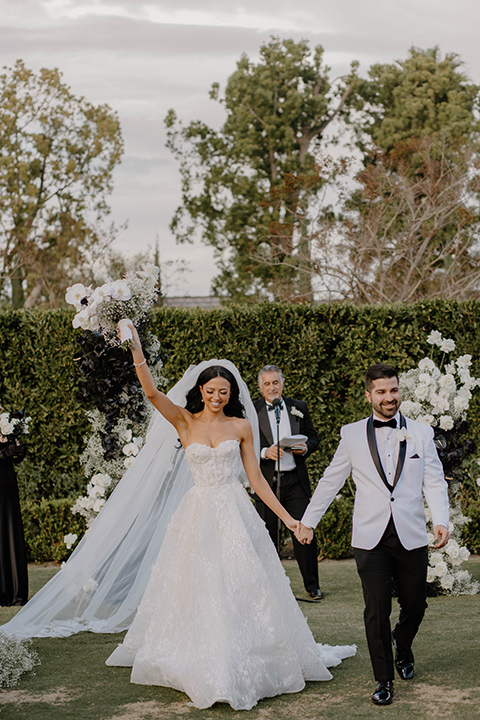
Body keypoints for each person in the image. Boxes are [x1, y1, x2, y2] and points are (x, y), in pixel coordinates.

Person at [106, 327, 355, 710]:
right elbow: (153, 393)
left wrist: (289, 520)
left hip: (234, 512)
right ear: (201, 391)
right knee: (197, 584)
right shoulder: (185, 422)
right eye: (211, 391)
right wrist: (136, 349)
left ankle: (252, 655)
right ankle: (201, 658)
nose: (217, 397)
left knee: (244, 583)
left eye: (224, 392)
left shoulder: (240, 427)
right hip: (197, 513)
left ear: (232, 394)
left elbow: (256, 479)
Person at [297, 363, 449, 706]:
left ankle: (403, 644)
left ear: (399, 391)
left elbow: (435, 481)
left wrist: (440, 519)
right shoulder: (350, 435)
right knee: (376, 609)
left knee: (415, 604)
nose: (389, 397)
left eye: (393, 390)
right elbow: (330, 481)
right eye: (381, 392)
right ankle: (384, 679)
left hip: (411, 534)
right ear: (369, 395)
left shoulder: (422, 434)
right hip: (370, 538)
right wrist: (308, 522)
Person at [254, 365, 322, 600]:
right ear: (260, 387)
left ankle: (312, 585)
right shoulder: (252, 411)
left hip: (295, 480)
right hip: (266, 483)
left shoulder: (298, 407)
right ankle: (271, 588)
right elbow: (241, 445)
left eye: (275, 382)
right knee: (267, 534)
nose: (272, 387)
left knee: (303, 529)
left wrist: (306, 447)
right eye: (267, 384)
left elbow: (313, 437)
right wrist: (264, 452)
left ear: (282, 383)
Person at [0, 437, 28, 606]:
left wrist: (19, 450)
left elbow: (17, 459)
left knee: (11, 534)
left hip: (8, 488)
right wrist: (4, 453)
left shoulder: (8, 426)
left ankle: (17, 593)